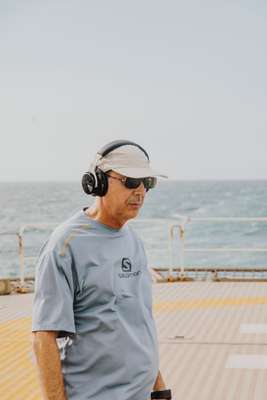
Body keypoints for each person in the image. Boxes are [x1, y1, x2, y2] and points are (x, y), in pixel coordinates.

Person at [32, 139, 172, 400]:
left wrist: (159, 387)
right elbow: (44, 338)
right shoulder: (64, 246)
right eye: (131, 181)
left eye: (148, 183)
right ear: (98, 182)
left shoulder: (133, 240)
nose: (140, 191)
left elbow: (138, 323)